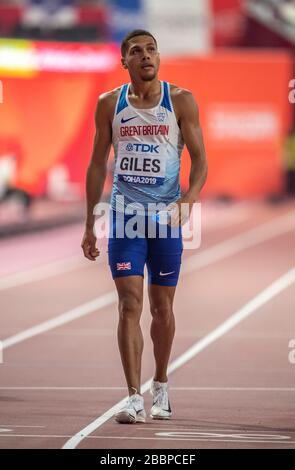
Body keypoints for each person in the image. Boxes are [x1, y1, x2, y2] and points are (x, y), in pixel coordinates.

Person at [81, 29, 208, 424]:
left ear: (158, 57)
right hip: (124, 218)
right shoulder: (109, 104)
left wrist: (188, 200)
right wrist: (89, 223)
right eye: (136, 51)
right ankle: (134, 398)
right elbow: (97, 163)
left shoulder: (181, 101)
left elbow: (201, 161)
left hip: (167, 220)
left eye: (151, 49)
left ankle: (162, 384)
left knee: (161, 308)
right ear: (125, 62)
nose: (146, 56)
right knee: (128, 305)